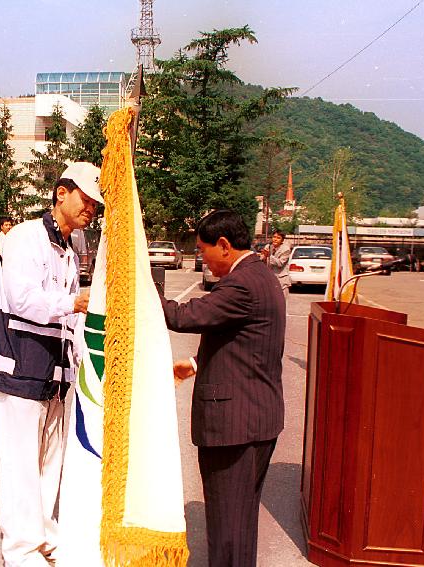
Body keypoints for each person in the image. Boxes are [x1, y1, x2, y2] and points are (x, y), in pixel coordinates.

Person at [0, 162, 100, 567]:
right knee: (19, 459)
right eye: (85, 198)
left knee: (50, 458)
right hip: (19, 361)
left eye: (96, 204)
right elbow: (23, 299)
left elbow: (70, 317)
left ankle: (44, 535)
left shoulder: (70, 247)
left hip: (55, 367)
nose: (90, 209)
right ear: (61, 193)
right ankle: (20, 548)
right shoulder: (26, 236)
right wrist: (74, 303)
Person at [160, 210, 286, 567]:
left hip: (235, 424)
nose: (202, 258)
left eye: (203, 250)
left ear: (225, 245)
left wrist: (138, 286)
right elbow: (244, 341)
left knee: (229, 526)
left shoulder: (241, 284)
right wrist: (198, 364)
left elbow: (185, 316)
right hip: (254, 417)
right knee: (239, 523)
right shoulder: (260, 275)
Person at [259, 229, 291, 300]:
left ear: (282, 240)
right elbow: (262, 260)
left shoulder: (286, 249)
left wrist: (269, 256)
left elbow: (280, 263)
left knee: (282, 304)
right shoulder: (268, 246)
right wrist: (263, 257)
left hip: (281, 281)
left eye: (278, 238)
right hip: (269, 280)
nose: (275, 239)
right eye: (274, 237)